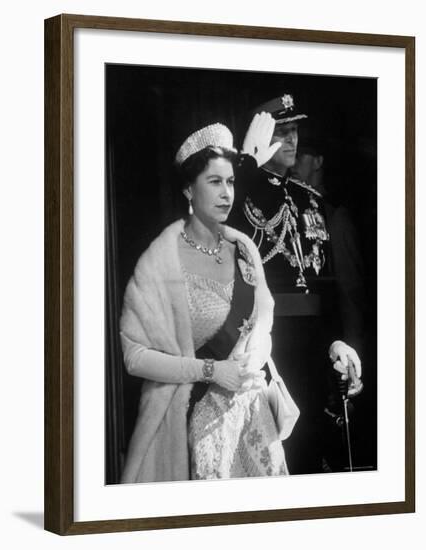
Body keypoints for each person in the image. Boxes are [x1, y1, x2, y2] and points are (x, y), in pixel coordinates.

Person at [119, 122, 296, 483]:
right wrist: (214, 372)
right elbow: (133, 355)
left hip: (254, 419)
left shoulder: (244, 249)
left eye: (230, 182)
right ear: (188, 189)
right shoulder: (161, 261)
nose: (226, 193)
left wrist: (256, 356)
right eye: (214, 182)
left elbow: (264, 321)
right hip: (193, 423)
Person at [228, 95, 363, 473]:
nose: (292, 141)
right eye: (281, 132)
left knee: (319, 453)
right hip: (269, 345)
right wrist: (245, 166)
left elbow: (327, 284)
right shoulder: (243, 190)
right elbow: (213, 222)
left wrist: (338, 340)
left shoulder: (309, 201)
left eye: (295, 131)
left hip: (314, 344)